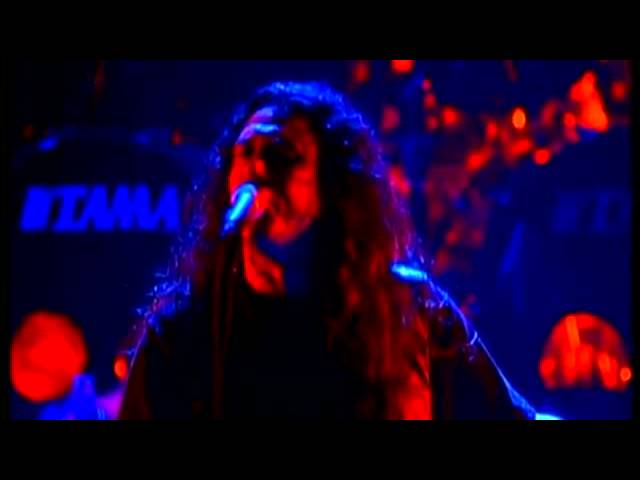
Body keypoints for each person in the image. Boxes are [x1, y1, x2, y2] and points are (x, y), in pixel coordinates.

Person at [119, 81, 537, 419]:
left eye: (281, 154)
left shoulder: (407, 311)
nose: (258, 169)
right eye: (245, 153)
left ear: (332, 184)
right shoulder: (182, 335)